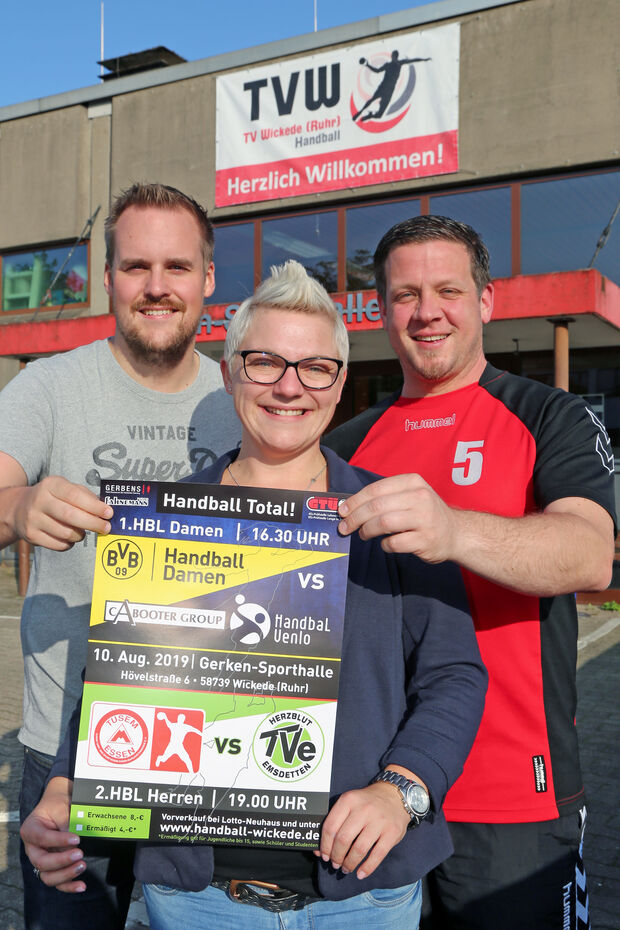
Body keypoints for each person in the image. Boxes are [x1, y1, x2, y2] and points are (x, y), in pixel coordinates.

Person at [21, 260, 487, 930]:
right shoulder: (166, 521)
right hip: (196, 899)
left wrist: (401, 791)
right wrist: (66, 784)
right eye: (264, 362)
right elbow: (122, 673)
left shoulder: (395, 517)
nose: (289, 386)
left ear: (339, 384)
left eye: (315, 367)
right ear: (229, 374)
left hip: (364, 898)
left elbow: (455, 675)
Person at [325, 215, 617, 930]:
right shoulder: (345, 445)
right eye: (406, 294)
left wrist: (454, 530)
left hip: (513, 795)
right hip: (373, 798)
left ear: (485, 301)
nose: (427, 311)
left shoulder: (549, 415)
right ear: (382, 309)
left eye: (448, 291)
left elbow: (589, 553)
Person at [0, 182, 241, 929]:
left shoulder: (245, 396)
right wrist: (18, 507)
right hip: (64, 755)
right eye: (136, 266)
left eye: (177, 267)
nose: (156, 286)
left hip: (207, 742)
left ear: (208, 278)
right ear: (107, 277)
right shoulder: (47, 386)